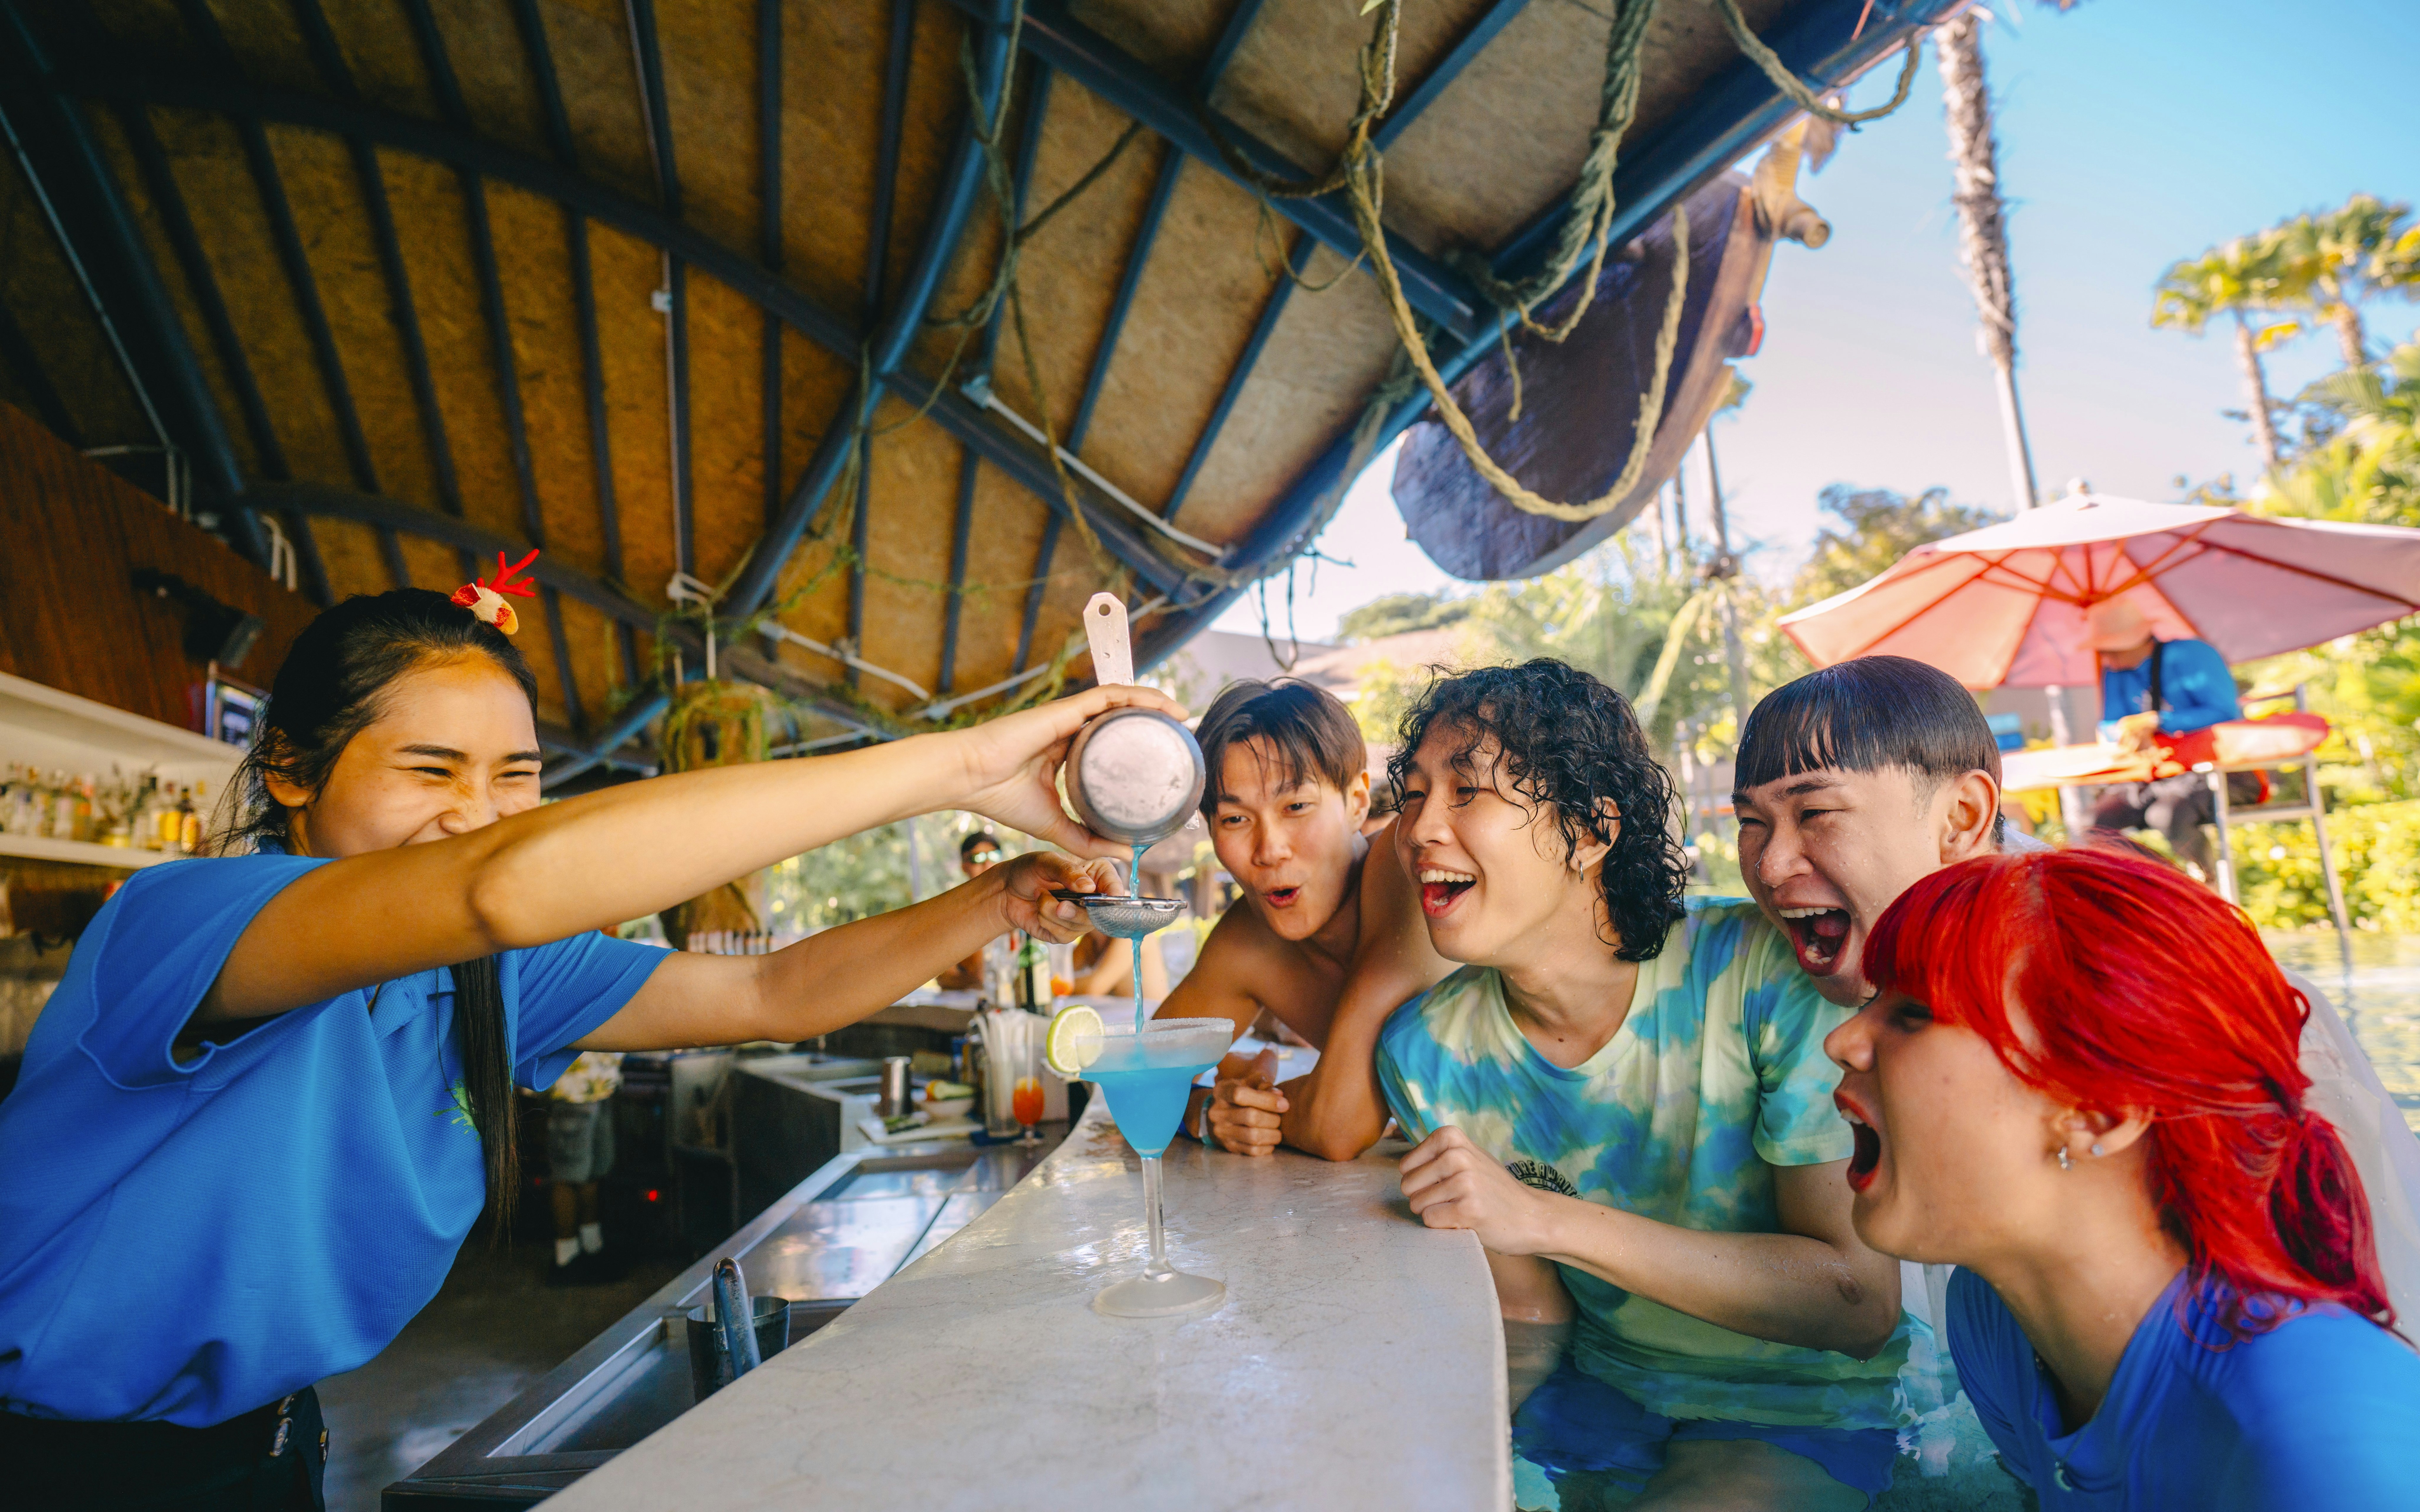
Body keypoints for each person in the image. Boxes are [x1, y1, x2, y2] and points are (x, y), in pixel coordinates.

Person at [0, 577, 1159, 1508]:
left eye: (515, 775)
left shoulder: (488, 976)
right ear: (291, 770)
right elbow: (500, 881)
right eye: (430, 770)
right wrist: (959, 765)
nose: (479, 810)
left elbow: (773, 987)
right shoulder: (190, 919)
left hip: (270, 1444)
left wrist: (994, 900)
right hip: (49, 1462)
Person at [1372, 661, 1925, 1510]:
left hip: (1795, 1408)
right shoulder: (1427, 1052)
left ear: (1593, 831)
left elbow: (1853, 1303)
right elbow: (1533, 1318)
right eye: (1413, 796)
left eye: (1467, 793)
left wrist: (1543, 1218)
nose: (1418, 831)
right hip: (1598, 1393)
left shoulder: (1758, 974)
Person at [1826, 845, 2420, 1508]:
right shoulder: (1993, 1317)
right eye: (1874, 1001)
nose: (1843, 1040)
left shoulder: (2325, 1442)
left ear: (2100, 1112)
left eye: (1914, 1013)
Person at [1146, 679, 1449, 1156]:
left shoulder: (1401, 868)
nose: (1270, 850)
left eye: (1296, 807)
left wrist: (1269, 1106)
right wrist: (1212, 1112)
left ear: (1356, 803)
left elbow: (1338, 1127)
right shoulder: (1248, 944)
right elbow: (1143, 1079)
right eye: (1234, 820)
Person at [2082, 597, 2243, 878]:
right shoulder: (2115, 673)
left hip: (2214, 770)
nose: (2107, 657)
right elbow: (2110, 725)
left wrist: (2160, 722)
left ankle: (2208, 881)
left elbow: (2224, 711)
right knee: (2094, 824)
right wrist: (2126, 732)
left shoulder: (2191, 655)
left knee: (2166, 816)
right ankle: (2160, 880)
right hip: (2156, 775)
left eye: (2112, 649)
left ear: (2136, 640)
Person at [544, 1047, 624, 1284]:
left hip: (600, 1086)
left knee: (592, 1174)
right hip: (573, 1090)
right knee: (567, 1176)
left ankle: (592, 1248)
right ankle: (566, 1258)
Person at [935, 832, 1005, 990]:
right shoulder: (954, 914)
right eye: (978, 858)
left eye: (994, 856)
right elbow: (944, 978)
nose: (987, 864)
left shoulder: (1019, 906)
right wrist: (976, 981)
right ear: (964, 866)